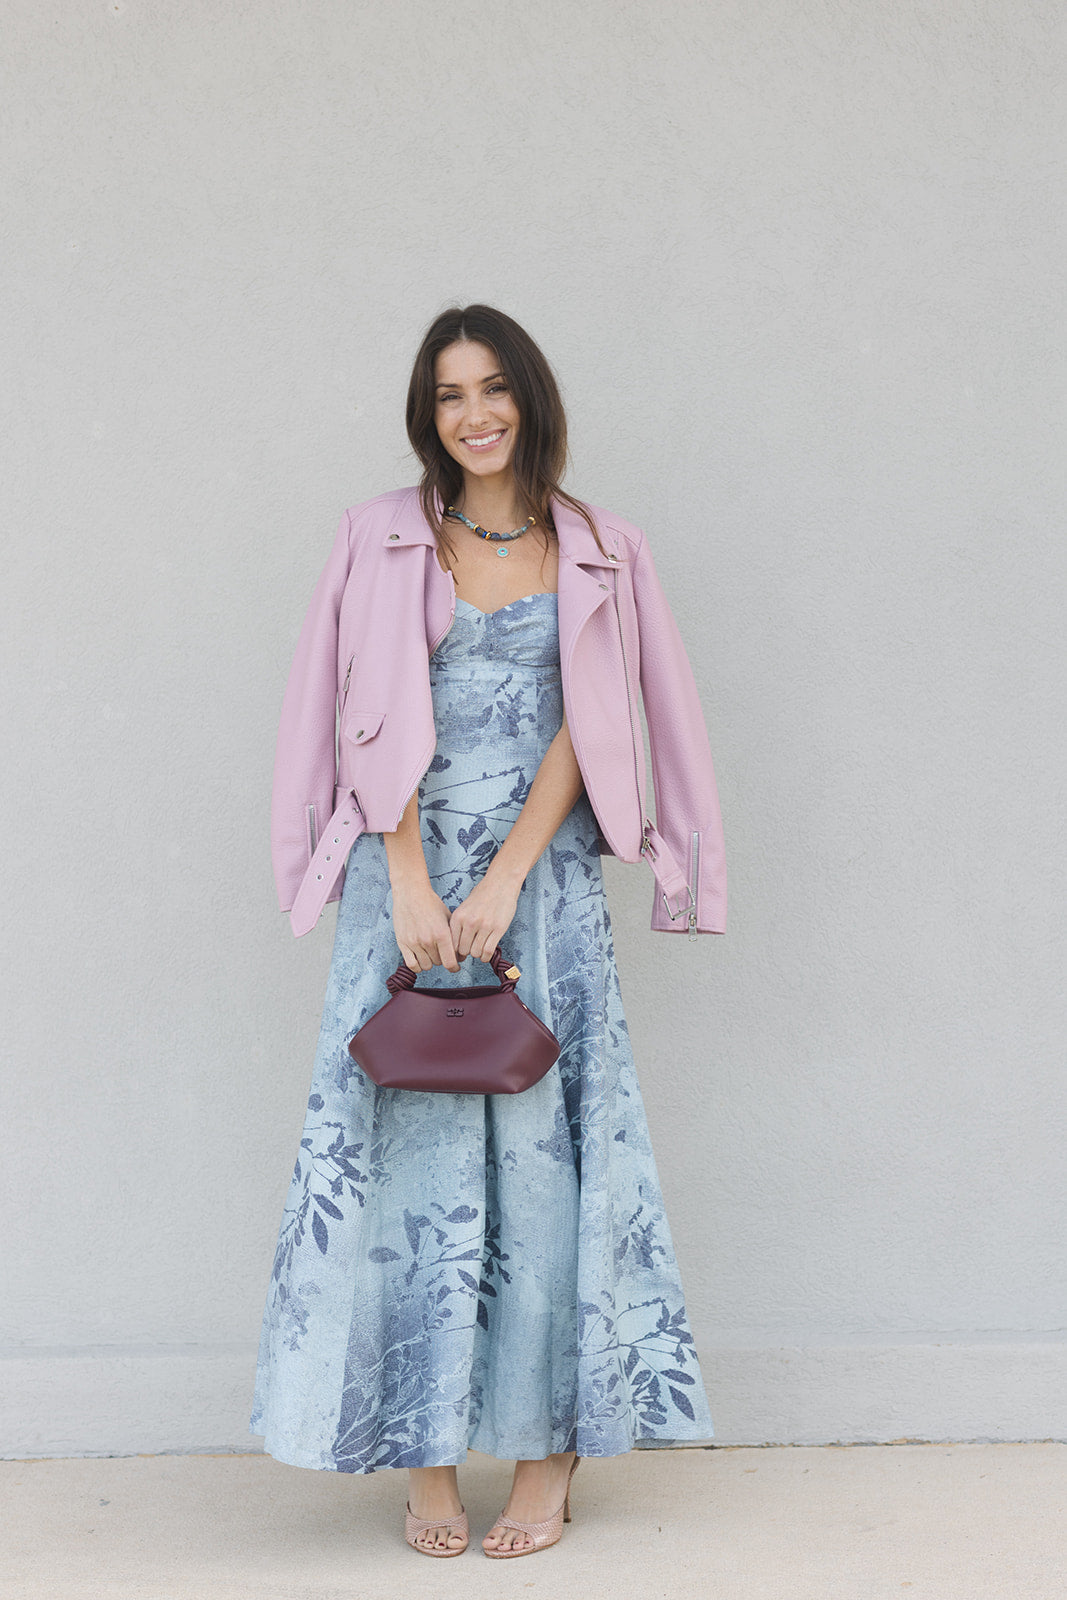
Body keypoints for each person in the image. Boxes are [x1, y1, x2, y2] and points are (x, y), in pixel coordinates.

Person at [249, 303, 727, 1560]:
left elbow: (600, 715)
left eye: (494, 387)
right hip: (398, 879)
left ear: (530, 398)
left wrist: (511, 870)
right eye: (450, 393)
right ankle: (419, 1444)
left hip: (543, 886)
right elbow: (359, 702)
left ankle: (545, 1450)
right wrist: (403, 872)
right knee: (407, 1154)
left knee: (543, 1163)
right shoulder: (379, 537)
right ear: (428, 412)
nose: (474, 413)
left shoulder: (601, 545)